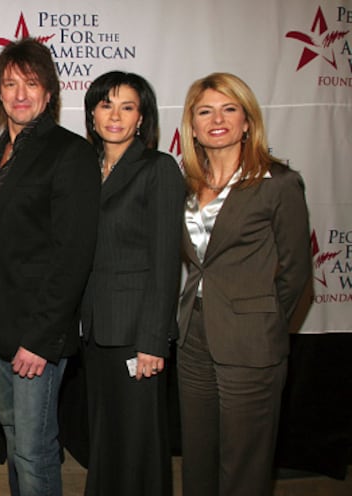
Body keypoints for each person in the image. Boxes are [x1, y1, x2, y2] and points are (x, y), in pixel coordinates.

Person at [0, 38, 100, 495]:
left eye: (31, 83)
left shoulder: (71, 153)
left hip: (36, 337)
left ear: (49, 93)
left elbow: (73, 255)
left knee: (35, 449)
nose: (20, 94)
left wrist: (41, 340)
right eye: (9, 84)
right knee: (13, 437)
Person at [178, 72, 312, 496]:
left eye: (229, 108)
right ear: (193, 127)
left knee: (244, 466)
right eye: (205, 111)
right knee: (198, 458)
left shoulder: (278, 183)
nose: (217, 119)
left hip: (251, 342)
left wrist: (263, 320)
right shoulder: (186, 183)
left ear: (247, 121)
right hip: (192, 337)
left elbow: (296, 273)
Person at [80, 71, 184, 495]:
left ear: (143, 118)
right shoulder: (85, 168)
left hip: (136, 333)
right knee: (105, 436)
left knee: (139, 442)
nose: (116, 116)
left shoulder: (158, 168)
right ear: (92, 114)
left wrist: (153, 342)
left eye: (128, 107)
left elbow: (165, 263)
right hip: (95, 329)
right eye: (107, 105)